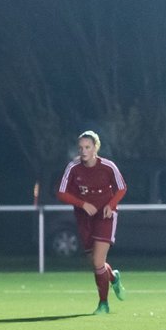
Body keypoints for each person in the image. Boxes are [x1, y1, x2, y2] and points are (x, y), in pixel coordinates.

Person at [56, 130, 126, 314]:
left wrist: (111, 205)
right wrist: (82, 204)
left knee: (97, 262)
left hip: (105, 216)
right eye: (80, 147)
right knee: (96, 263)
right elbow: (61, 193)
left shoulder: (108, 166)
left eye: (87, 147)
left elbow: (122, 188)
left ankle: (103, 304)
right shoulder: (73, 168)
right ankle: (113, 277)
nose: (83, 151)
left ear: (96, 147)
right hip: (84, 218)